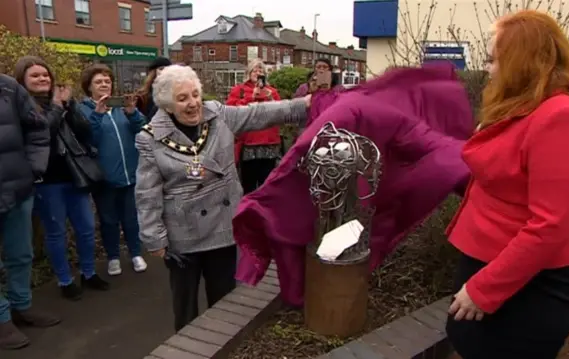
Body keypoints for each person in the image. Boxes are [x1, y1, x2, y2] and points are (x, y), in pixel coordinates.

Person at [234, 63, 473, 306]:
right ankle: (324, 290)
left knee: (327, 224)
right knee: (340, 225)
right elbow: (429, 143)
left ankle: (318, 293)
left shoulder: (343, 110)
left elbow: (298, 152)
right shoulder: (374, 105)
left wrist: (264, 196)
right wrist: (470, 158)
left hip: (350, 181)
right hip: (353, 180)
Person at [444, 10, 569, 359]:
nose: (487, 69)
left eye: (493, 59)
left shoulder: (561, 117)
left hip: (531, 279)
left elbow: (551, 224)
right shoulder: (522, 107)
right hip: (493, 261)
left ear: (521, 60)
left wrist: (484, 290)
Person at [134, 64, 311, 331]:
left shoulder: (218, 115)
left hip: (223, 226)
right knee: (186, 308)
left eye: (195, 94)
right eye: (182, 99)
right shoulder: (150, 139)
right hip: (183, 236)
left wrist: (305, 105)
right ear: (167, 105)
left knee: (224, 301)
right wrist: (155, 239)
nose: (193, 103)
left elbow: (258, 113)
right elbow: (147, 193)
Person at [14, 56, 103, 301]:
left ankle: (89, 272)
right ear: (22, 80)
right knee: (56, 233)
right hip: (48, 181)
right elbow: (43, 132)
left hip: (75, 176)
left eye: (45, 75)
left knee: (86, 228)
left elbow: (84, 131)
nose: (43, 79)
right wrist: (56, 107)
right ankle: (65, 280)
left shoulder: (62, 102)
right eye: (35, 76)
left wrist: (70, 106)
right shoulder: (21, 107)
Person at [0, 73, 60, 350]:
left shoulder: (8, 86)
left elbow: (37, 127)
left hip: (16, 190)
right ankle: (1, 319)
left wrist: (33, 168)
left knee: (21, 254)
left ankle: (21, 306)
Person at [77, 64, 148, 278]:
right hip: (104, 178)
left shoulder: (119, 108)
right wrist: (97, 116)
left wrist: (133, 113)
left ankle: (135, 253)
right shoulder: (84, 110)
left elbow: (142, 130)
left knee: (131, 218)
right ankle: (113, 257)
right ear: (89, 87)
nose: (104, 84)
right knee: (108, 220)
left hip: (129, 174)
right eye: (99, 81)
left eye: (107, 81)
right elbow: (89, 140)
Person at [226, 59, 283, 194]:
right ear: (248, 73)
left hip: (269, 142)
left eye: (261, 70)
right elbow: (231, 112)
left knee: (267, 184)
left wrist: (270, 99)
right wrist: (251, 97)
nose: (258, 73)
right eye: (255, 70)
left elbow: (281, 114)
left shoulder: (272, 91)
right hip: (248, 142)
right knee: (248, 184)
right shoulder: (239, 90)